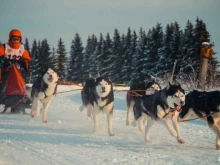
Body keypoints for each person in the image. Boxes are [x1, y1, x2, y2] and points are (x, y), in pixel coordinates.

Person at [0, 29, 31, 113]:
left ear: (20, 40)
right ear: (10, 38)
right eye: (14, 39)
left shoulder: (22, 49)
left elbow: (27, 60)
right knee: (4, 86)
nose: (15, 41)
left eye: (17, 39)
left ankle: (18, 102)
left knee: (21, 87)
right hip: (5, 72)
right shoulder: (4, 47)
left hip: (18, 73)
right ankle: (3, 97)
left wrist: (24, 63)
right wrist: (5, 61)